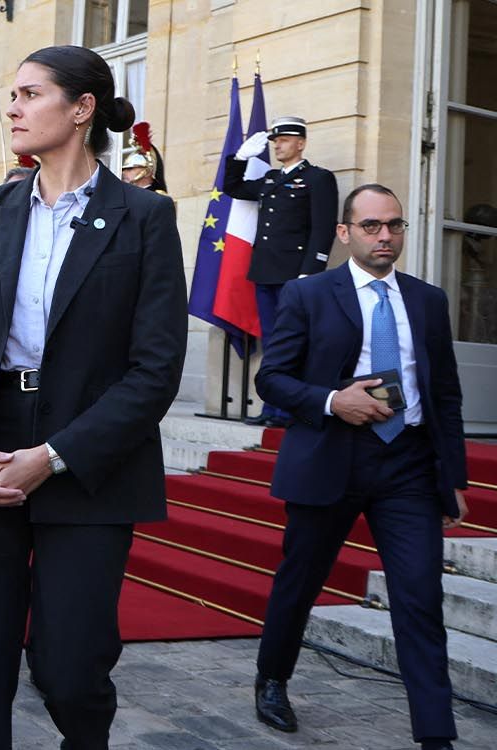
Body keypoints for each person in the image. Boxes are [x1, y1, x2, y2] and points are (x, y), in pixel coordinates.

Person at [0, 45, 186, 749]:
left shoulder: (144, 217)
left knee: (70, 670)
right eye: (12, 94)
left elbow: (155, 371)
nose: (12, 106)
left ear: (81, 108)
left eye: (30, 94)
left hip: (88, 456)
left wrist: (56, 456)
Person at [251, 184, 468, 750]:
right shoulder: (310, 295)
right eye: (372, 226)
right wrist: (332, 401)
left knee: (420, 596)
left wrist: (455, 478)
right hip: (333, 457)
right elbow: (271, 378)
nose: (385, 237)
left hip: (409, 466)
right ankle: (272, 678)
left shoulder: (428, 300)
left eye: (394, 225)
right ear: (345, 233)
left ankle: (436, 735)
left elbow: (444, 393)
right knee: (300, 582)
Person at [224, 115, 339, 427]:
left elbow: (323, 227)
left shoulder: (317, 178)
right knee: (272, 342)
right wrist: (239, 157)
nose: (278, 145)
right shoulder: (272, 179)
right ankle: (272, 408)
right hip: (265, 272)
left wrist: (311, 271)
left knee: (294, 341)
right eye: (275, 141)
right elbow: (232, 187)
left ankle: (290, 409)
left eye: (284, 140)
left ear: (300, 143)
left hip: (295, 275)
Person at [121, 122, 167, 194]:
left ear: (147, 172)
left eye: (130, 168)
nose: (123, 172)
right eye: (124, 169)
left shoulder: (158, 197)